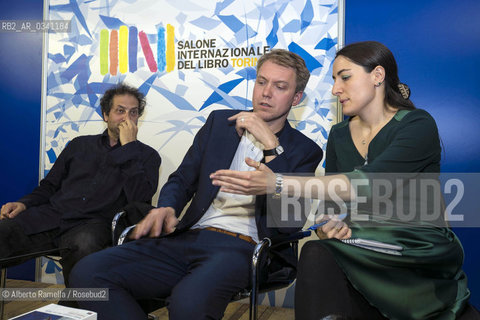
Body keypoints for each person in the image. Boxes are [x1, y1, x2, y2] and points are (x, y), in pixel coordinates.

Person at [211, 41, 476, 319]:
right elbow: (333, 205)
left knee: (319, 255)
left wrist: (277, 183)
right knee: (317, 249)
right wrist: (329, 224)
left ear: (377, 76)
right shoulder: (338, 134)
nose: (336, 88)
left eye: (345, 77)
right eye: (335, 79)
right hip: (363, 244)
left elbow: (365, 184)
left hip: (415, 245)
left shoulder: (417, 124)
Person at [69, 49, 322, 319]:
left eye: (280, 86)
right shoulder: (220, 123)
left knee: (188, 305)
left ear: (296, 98)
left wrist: (272, 148)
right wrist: (167, 207)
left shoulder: (304, 151)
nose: (266, 92)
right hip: (191, 235)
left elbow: (288, 225)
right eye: (261, 82)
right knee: (87, 274)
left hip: (243, 247)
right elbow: (182, 178)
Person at [0, 83, 161, 287]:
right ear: (105, 115)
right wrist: (24, 204)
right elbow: (49, 186)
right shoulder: (79, 145)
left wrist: (128, 149)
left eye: (133, 112)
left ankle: (75, 312)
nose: (127, 118)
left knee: (84, 246)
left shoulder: (147, 156)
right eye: (120, 111)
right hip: (53, 216)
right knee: (4, 230)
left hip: (95, 225)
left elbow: (140, 199)